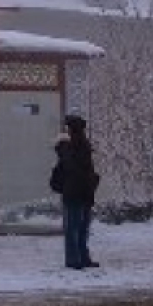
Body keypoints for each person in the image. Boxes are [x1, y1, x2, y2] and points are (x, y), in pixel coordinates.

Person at [52, 113, 100, 270]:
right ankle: (74, 259)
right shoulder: (69, 148)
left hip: (81, 192)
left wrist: (92, 180)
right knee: (75, 227)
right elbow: (75, 169)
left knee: (80, 227)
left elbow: (84, 170)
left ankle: (80, 257)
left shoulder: (78, 146)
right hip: (75, 192)